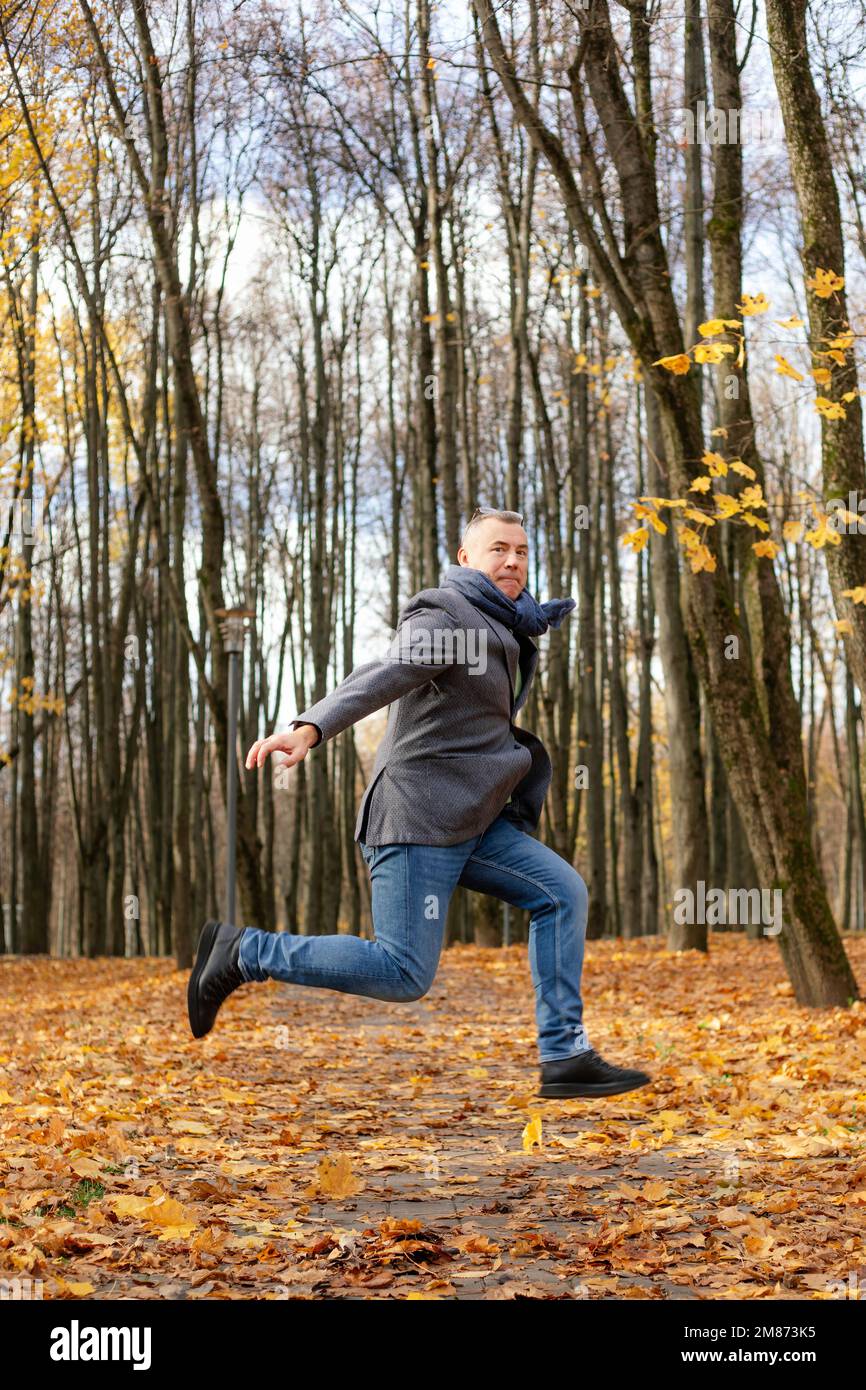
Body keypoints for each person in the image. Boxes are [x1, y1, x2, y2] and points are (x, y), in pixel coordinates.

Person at [187, 507, 651, 1099]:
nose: (512, 561)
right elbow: (390, 670)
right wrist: (310, 728)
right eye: (497, 550)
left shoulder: (513, 623)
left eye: (522, 551)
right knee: (403, 972)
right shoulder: (447, 612)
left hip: (474, 818)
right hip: (418, 817)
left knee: (563, 893)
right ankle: (243, 951)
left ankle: (564, 1055)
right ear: (466, 559)